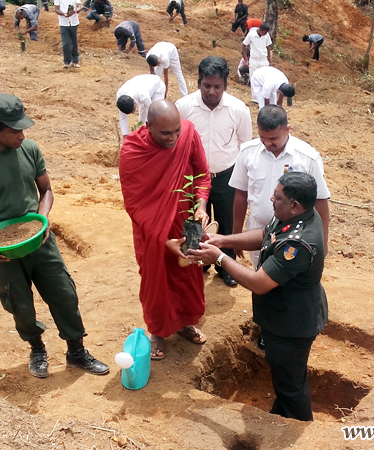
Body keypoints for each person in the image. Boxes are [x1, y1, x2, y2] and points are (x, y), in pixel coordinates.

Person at [0, 94, 109, 378]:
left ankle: (77, 351)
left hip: (39, 240)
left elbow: (46, 191)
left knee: (64, 293)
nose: (22, 135)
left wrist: (43, 219)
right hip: (2, 249)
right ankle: (36, 347)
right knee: (20, 304)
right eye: (15, 130)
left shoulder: (29, 150)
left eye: (23, 128)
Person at [188, 172, 328, 422]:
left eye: (278, 197)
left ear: (294, 205)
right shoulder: (296, 216)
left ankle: (296, 426)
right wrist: (223, 241)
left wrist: (219, 258)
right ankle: (283, 412)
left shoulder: (298, 245)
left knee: (291, 384)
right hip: (281, 317)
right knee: (284, 374)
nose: (271, 198)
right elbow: (267, 235)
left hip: (292, 324)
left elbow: (259, 283)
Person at [119, 100, 211, 360]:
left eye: (176, 132)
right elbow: (134, 204)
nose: (173, 139)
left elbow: (203, 175)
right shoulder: (133, 150)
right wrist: (161, 240)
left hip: (186, 220)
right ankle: (158, 331)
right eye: (165, 133)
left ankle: (183, 322)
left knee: (186, 275)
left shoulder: (188, 134)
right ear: (148, 127)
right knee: (156, 279)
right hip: (152, 229)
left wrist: (201, 205)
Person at [175, 56, 252, 286]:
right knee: (195, 222)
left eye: (217, 87)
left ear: (225, 86)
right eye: (206, 85)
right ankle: (201, 263)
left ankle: (226, 267)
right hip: (193, 178)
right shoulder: (184, 107)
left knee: (226, 223)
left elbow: (245, 146)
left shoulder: (238, 110)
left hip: (227, 177)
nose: (211, 91)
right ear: (199, 83)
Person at [229, 105, 330, 267]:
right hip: (257, 230)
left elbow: (320, 200)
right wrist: (236, 234)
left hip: (295, 234)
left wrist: (322, 241)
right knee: (259, 275)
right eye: (263, 137)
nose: (267, 143)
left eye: (273, 139)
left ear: (287, 129)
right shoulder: (248, 152)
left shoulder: (307, 158)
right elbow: (241, 193)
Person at [55, 0, 82, 68]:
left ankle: (75, 61)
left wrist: (75, 11)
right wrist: (63, 14)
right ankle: (67, 61)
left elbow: (79, 6)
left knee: (74, 42)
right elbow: (56, 9)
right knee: (66, 43)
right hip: (63, 22)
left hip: (74, 21)